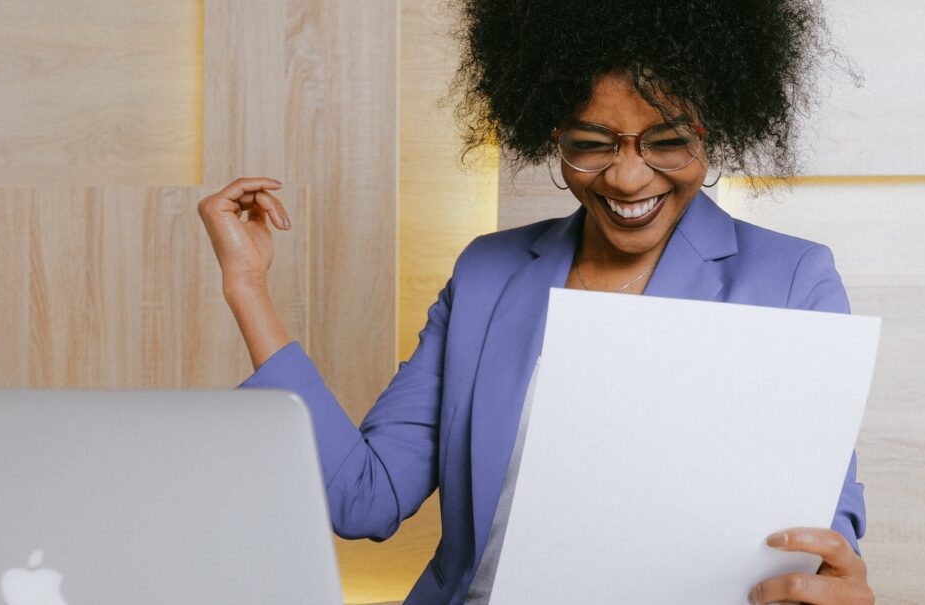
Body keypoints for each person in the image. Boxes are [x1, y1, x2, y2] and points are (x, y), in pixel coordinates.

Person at [197, 1, 873, 603]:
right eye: (590, 144)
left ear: (711, 128)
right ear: (550, 133)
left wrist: (827, 577)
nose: (627, 176)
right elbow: (362, 498)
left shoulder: (791, 282)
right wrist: (247, 287)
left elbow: (819, 520)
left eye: (667, 140)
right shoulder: (487, 274)